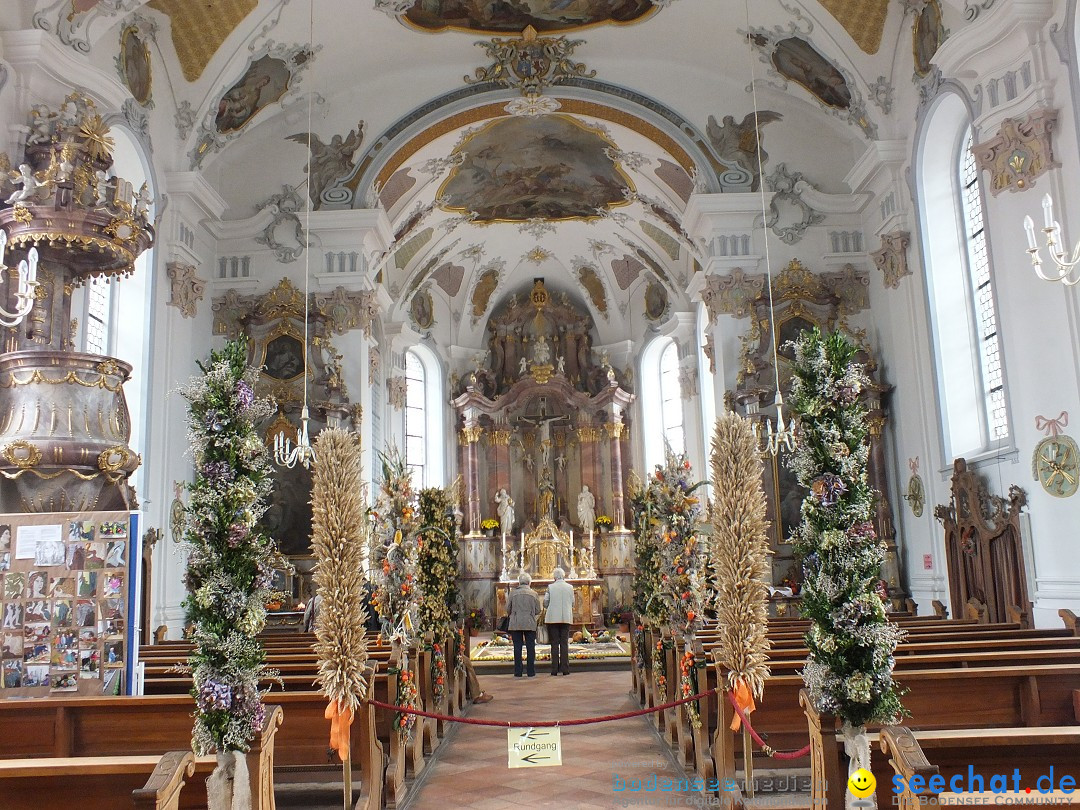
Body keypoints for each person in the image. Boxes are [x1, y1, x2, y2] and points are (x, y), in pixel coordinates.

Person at [506, 572, 541, 678]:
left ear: (519, 582)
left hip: (516, 622)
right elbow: (538, 610)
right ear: (529, 582)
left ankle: (518, 671)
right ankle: (531, 671)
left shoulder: (513, 593)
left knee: (517, 647)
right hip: (529, 622)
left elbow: (508, 609)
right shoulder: (534, 594)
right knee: (531, 647)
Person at [544, 568, 574, 676]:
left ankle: (554, 669)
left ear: (554, 577)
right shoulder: (570, 587)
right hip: (566, 617)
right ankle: (565, 669)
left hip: (553, 619)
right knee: (564, 643)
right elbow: (573, 602)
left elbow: (546, 602)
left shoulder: (550, 587)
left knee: (555, 643)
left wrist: (548, 606)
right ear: (563, 576)